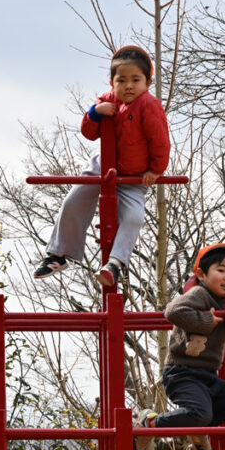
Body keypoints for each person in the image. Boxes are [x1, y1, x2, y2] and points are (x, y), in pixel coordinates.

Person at [33, 45, 171, 287]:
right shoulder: (107, 100)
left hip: (135, 175)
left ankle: (115, 263)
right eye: (122, 80)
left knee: (134, 217)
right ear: (112, 83)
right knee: (74, 200)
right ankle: (58, 254)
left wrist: (156, 170)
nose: (128, 86)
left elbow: (160, 140)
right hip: (103, 166)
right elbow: (89, 132)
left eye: (136, 80)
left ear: (148, 83)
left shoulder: (149, 105)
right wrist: (95, 112)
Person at [136, 243, 225, 450]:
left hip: (209, 376)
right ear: (201, 275)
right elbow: (174, 311)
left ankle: (198, 428)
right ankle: (150, 422)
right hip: (182, 373)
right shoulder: (200, 294)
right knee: (199, 412)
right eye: (221, 270)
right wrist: (206, 320)